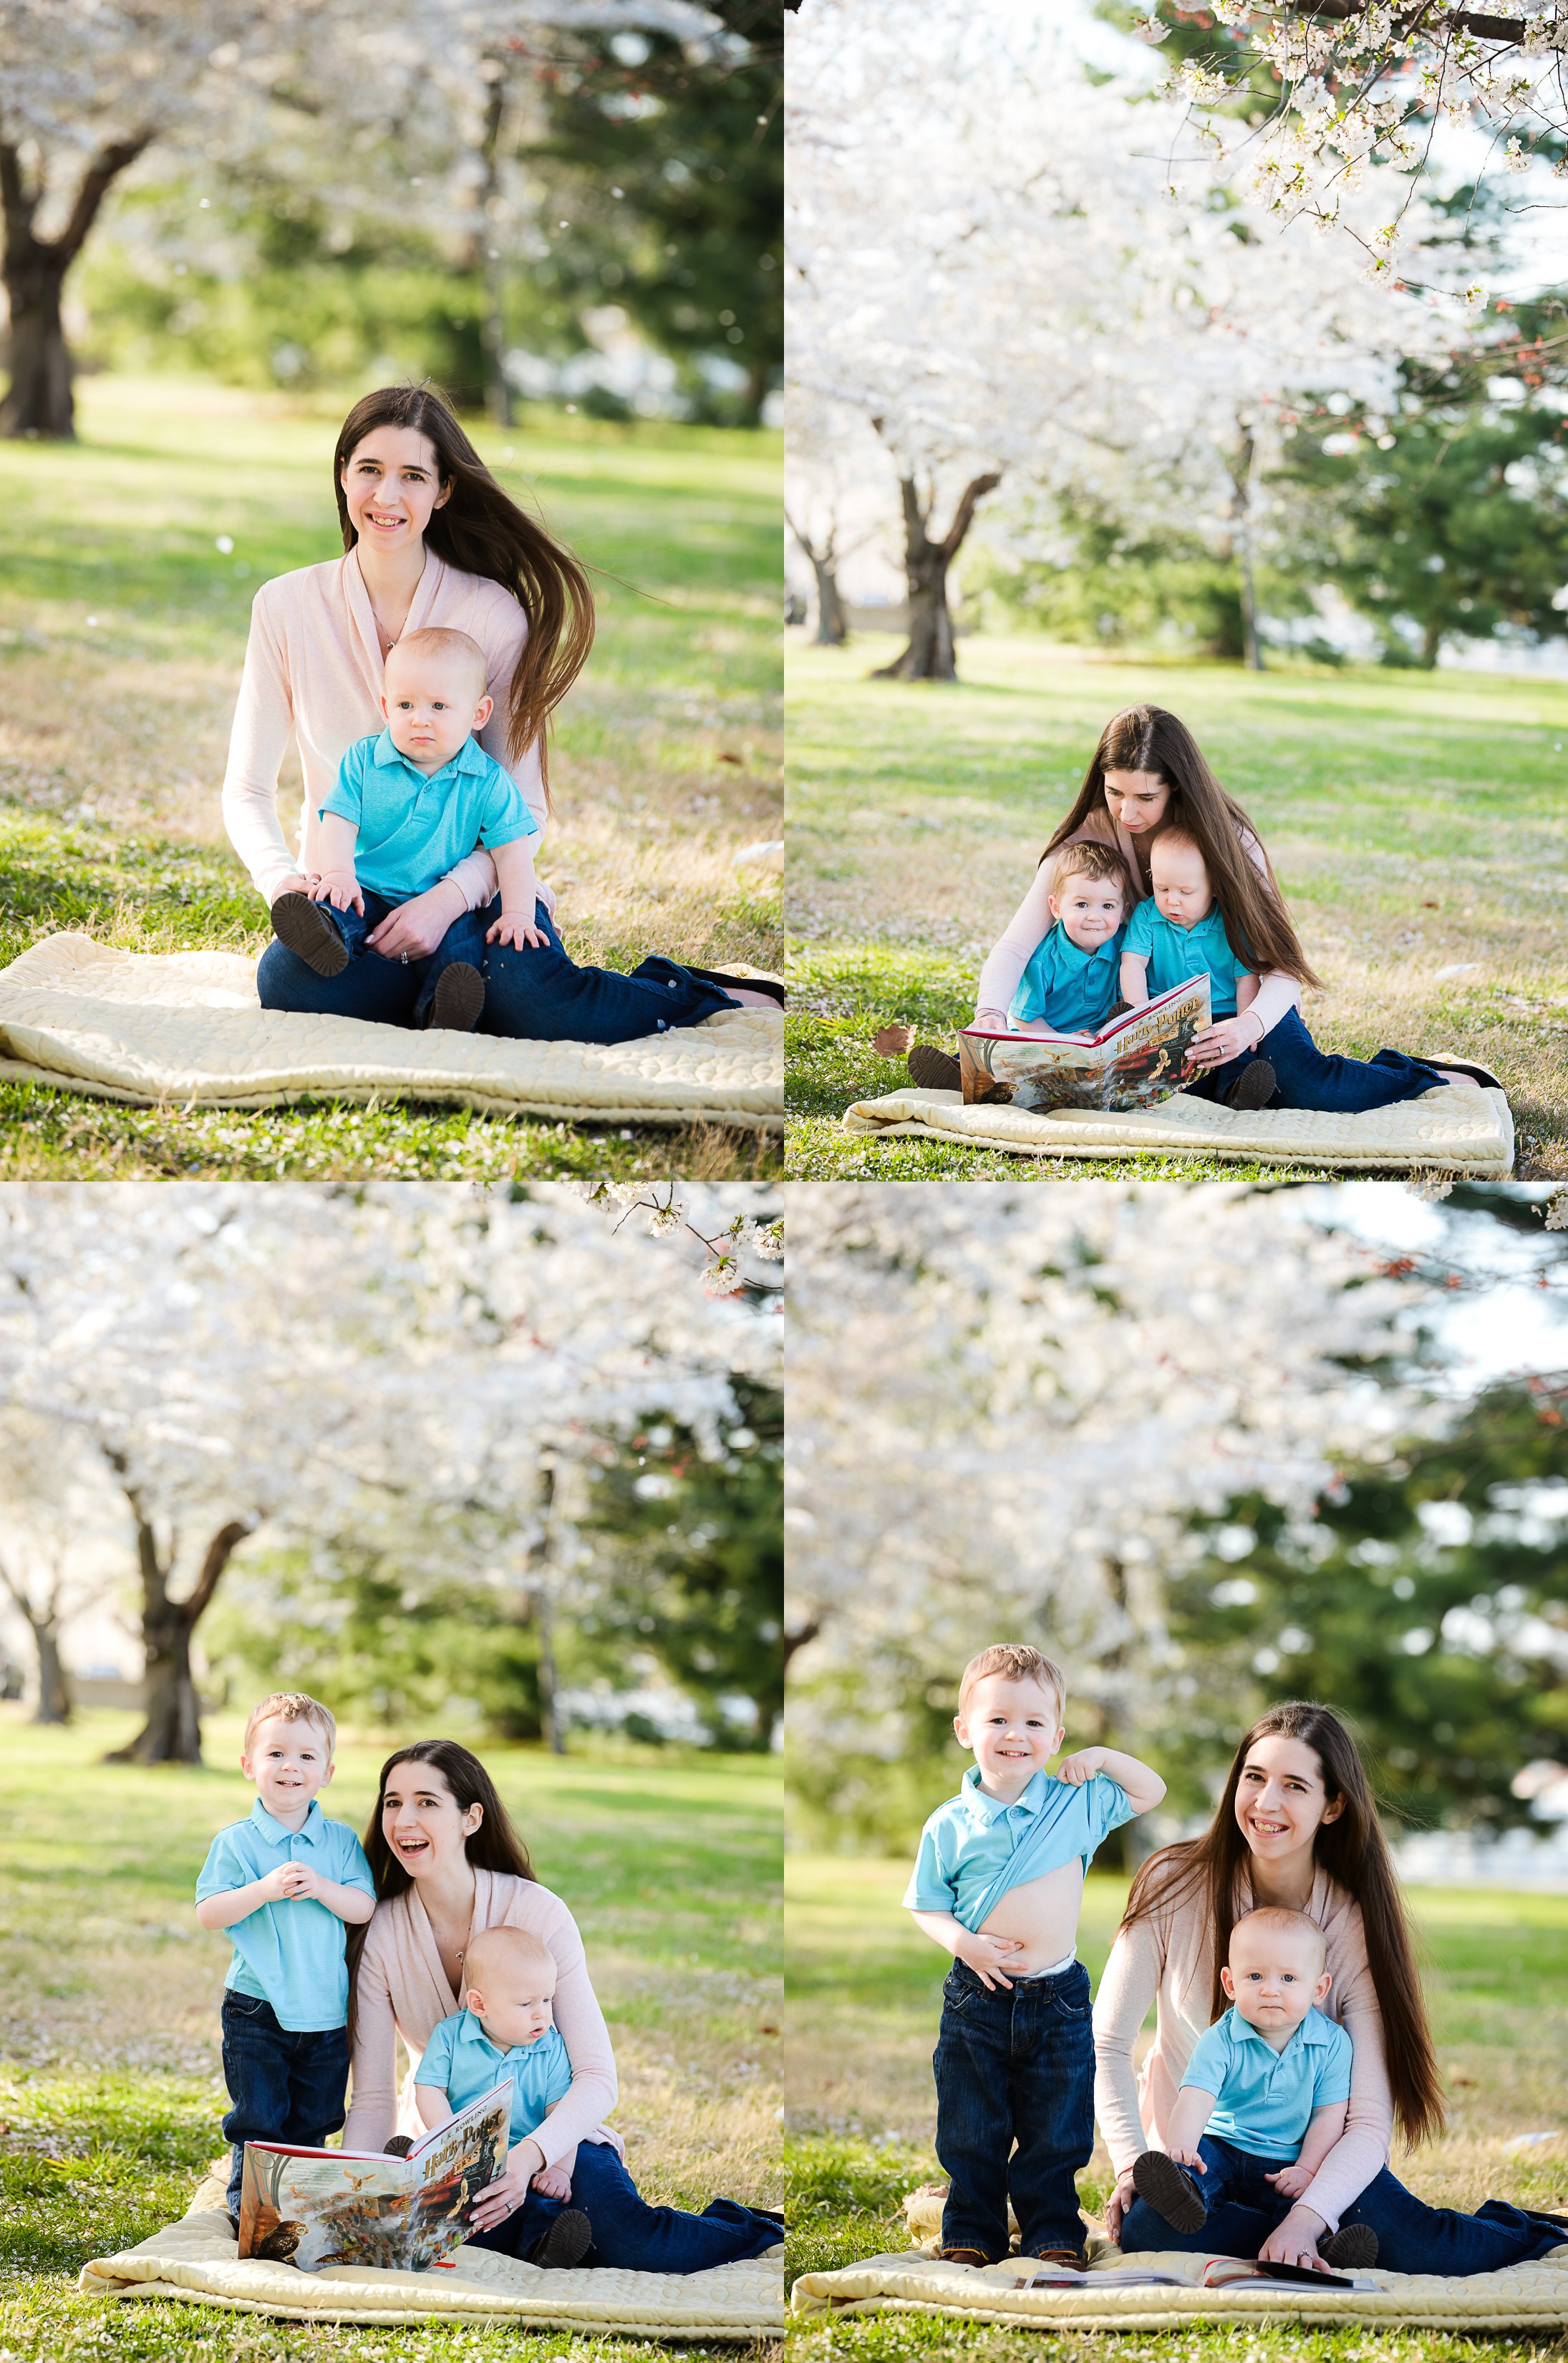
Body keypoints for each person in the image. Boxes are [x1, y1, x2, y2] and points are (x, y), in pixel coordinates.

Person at [224, 381, 780, 1041]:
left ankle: (690, 993)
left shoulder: (489, 613)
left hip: (473, 899)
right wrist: (283, 883)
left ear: (444, 490)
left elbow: (526, 806)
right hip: (353, 896)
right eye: (369, 469)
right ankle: (443, 999)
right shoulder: (285, 606)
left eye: (413, 476)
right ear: (343, 473)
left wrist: (444, 904)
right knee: (287, 979)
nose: (387, 496)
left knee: (527, 997)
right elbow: (248, 788)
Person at [1097, 1700, 1568, 2273]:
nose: (1266, 1803)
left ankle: (1528, 2229)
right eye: (1254, 1777)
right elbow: (1108, 2044)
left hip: (1314, 2162)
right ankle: (1305, 2243)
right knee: (1150, 2230)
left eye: (1295, 1785)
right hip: (1205, 2163)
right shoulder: (1172, 1884)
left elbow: (1368, 2121)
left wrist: (1309, 2216)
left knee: (1426, 2250)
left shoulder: (1349, 1923)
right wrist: (1128, 2165)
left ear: (1333, 1805)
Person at [880, 706, 1498, 1105]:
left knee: (1306, 1084)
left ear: (1178, 785)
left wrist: (1249, 1028)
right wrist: (992, 1010)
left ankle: (1422, 1073)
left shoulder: (1231, 844)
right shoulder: (1088, 840)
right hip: (1137, 1013)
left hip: (1243, 1005)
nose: (1128, 812)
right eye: (1114, 791)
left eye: (1145, 796)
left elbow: (1281, 964)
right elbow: (1018, 944)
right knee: (1096, 1083)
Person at [342, 1738, 782, 2272]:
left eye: (426, 1802)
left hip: (554, 2140)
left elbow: (597, 2077)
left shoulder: (537, 1913)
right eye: (392, 1802)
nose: (403, 1819)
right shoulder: (380, 1931)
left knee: (633, 2245)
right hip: (445, 2149)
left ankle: (757, 2224)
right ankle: (537, 2235)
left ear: (470, 1819)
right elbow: (371, 2101)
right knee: (433, 2240)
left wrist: (527, 2160)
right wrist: (354, 2192)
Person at [903, 1643, 1166, 2269]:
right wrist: (962, 1942)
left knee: (1058, 2130)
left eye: (1033, 1723)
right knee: (972, 2127)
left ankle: (1053, 2231)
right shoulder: (950, 1823)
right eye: (997, 1720)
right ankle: (973, 2228)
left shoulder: (1076, 1805)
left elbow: (1151, 1791)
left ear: (1056, 1736)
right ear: (965, 1730)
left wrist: (1101, 1759)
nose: (1014, 1735)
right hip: (977, 1996)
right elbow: (925, 1904)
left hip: (1059, 1997)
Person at [271, 628, 544, 1035]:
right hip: (371, 889)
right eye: (405, 704)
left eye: (439, 705)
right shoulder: (364, 760)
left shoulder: (488, 780)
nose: (420, 718)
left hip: (443, 902)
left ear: (479, 714)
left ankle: (444, 1006)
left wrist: (519, 914)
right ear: (386, 707)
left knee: (462, 947)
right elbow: (339, 822)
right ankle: (326, 934)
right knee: (341, 906)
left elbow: (512, 853)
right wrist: (339, 875)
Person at [193, 1692, 376, 2228]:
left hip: (325, 2010)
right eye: (275, 1754)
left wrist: (321, 1887)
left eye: (305, 1757)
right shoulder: (237, 1842)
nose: (289, 1766)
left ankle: (301, 2205)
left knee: (314, 2118)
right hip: (257, 2007)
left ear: (327, 1772)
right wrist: (264, 1889)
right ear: (250, 1766)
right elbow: (209, 1911)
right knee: (259, 2116)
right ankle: (251, 2211)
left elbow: (362, 1906)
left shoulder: (339, 1843)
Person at [1128, 1905, 1375, 2270]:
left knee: (1295, 2202)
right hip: (1223, 2145)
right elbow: (1196, 2098)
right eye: (1255, 1976)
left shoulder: (1333, 2043)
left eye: (1289, 1979)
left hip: (1286, 2160)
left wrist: (1308, 2168)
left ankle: (1321, 2242)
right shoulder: (1221, 2038)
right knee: (1173, 2198)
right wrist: (1181, 2147)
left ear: (1319, 1988)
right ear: (1231, 1984)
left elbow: (1328, 2114)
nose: (1270, 1990)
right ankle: (1187, 2191)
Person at [413, 1925, 589, 2269]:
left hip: (529, 2156)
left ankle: (546, 2247)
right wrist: (451, 2137)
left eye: (547, 1999)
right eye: (526, 2003)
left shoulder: (551, 2047)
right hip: (465, 2156)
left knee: (544, 2203)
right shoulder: (449, 2036)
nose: (542, 2013)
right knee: (448, 2197)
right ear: (479, 2004)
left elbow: (564, 2115)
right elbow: (429, 2088)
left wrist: (560, 2170)